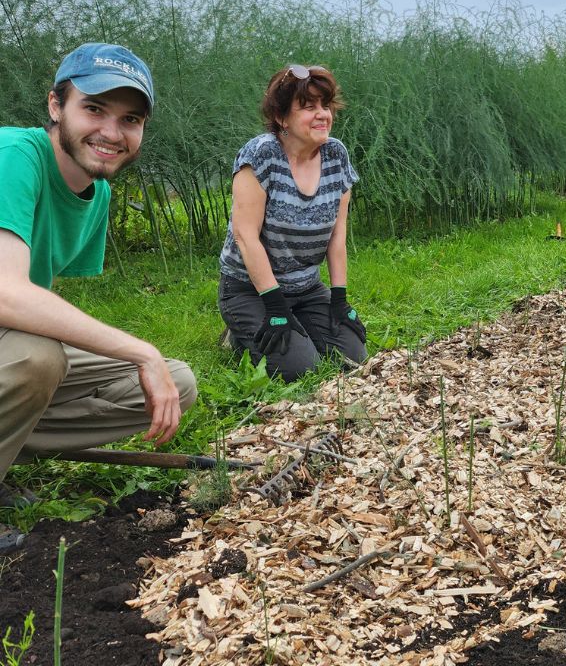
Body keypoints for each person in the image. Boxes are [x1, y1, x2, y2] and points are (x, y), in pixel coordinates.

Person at [0, 43, 198, 551]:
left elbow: (42, 299)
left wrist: (149, 363)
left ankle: (8, 450)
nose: (112, 133)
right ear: (54, 105)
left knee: (174, 383)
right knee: (36, 358)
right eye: (93, 109)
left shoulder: (97, 191)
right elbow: (8, 295)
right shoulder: (15, 157)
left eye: (129, 118)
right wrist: (139, 349)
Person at [218, 64, 367, 382]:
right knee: (301, 369)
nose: (322, 114)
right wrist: (274, 306)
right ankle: (236, 335)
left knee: (352, 356)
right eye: (308, 106)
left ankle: (301, 325)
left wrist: (339, 299)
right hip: (249, 290)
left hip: (306, 287)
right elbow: (245, 236)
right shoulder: (261, 156)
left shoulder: (336, 155)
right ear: (282, 118)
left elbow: (338, 233)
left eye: (325, 105)